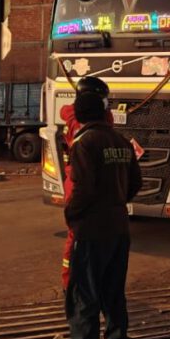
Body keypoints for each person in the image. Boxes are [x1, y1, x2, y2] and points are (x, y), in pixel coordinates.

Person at [59, 91, 142, 339]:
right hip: (119, 227)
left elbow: (82, 188)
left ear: (80, 114)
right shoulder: (121, 141)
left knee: (84, 294)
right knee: (113, 292)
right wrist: (117, 201)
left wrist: (72, 215)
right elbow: (136, 182)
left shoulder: (84, 143)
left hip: (92, 230)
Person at [59, 75, 114, 291]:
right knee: (78, 237)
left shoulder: (73, 117)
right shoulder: (90, 126)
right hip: (81, 184)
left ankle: (74, 281)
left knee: (80, 236)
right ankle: (71, 283)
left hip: (74, 181)